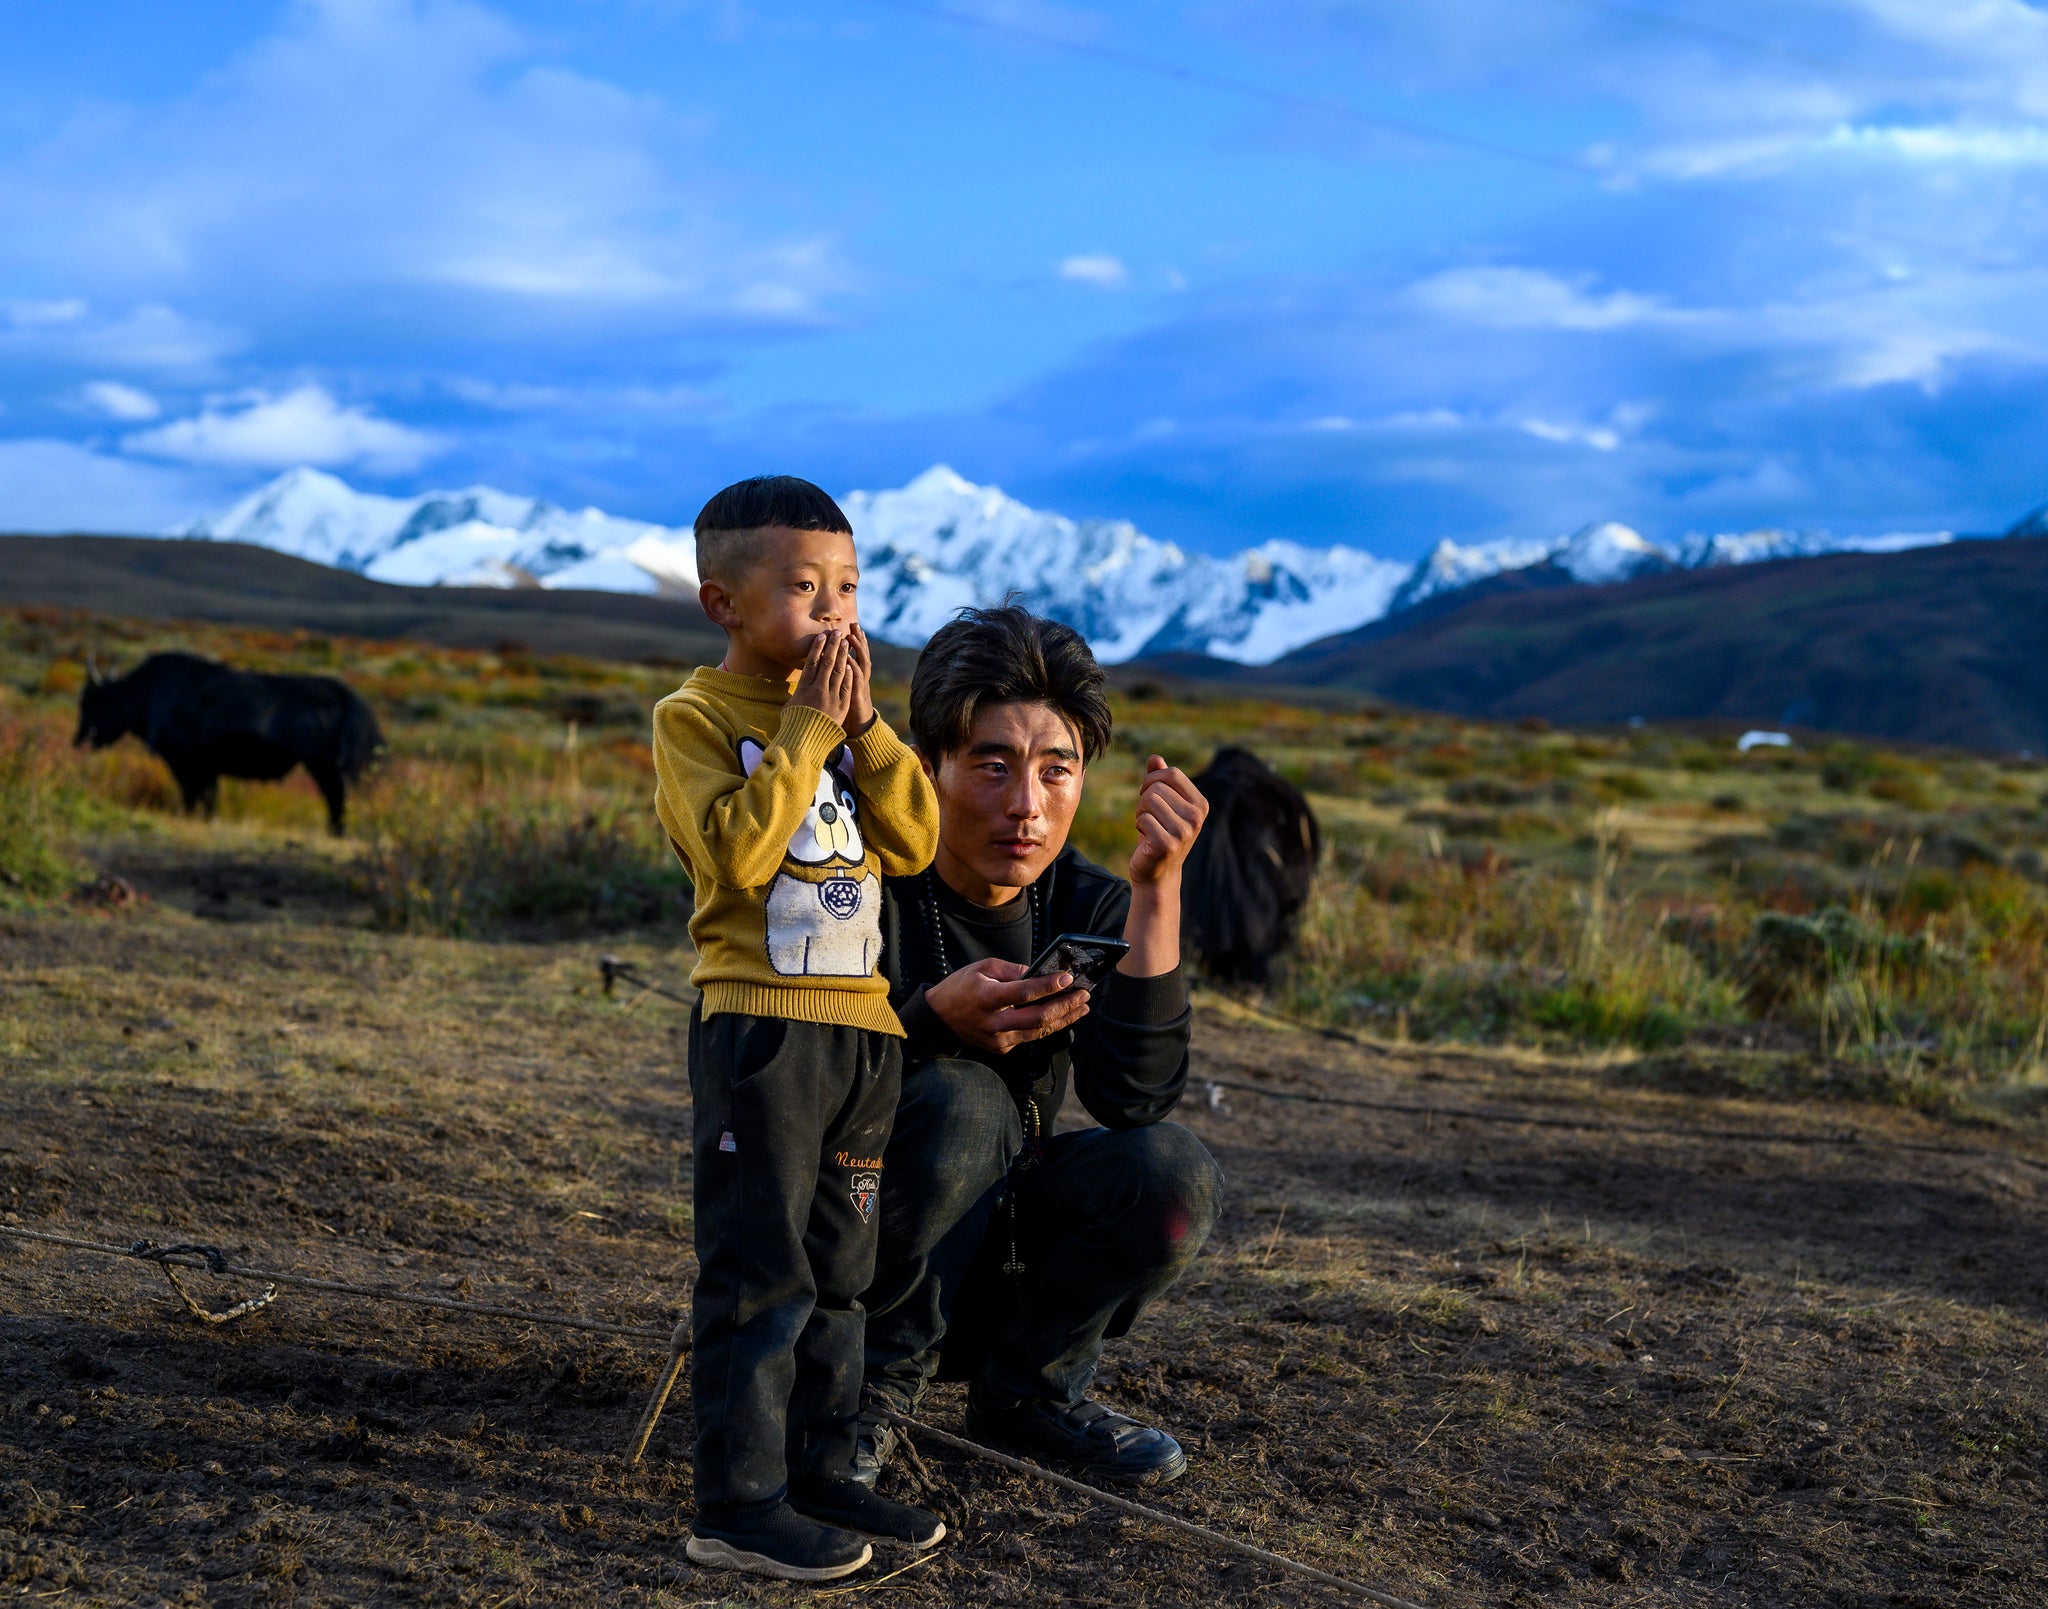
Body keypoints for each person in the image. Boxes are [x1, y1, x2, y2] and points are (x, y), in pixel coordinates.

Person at [651, 476, 947, 1582]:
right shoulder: (695, 720)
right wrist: (807, 725)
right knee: (756, 1272)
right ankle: (736, 1503)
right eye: (801, 590)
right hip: (760, 1034)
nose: (832, 615)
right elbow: (733, 854)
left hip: (860, 1033)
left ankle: (819, 1471)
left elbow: (915, 842)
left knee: (839, 1272)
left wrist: (864, 730)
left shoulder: (847, 728)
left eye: (847, 589)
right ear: (720, 603)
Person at [854, 604, 1222, 1488]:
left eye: (1057, 771)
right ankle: (865, 1401)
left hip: (1003, 1255)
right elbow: (788, 1081)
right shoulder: (859, 884)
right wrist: (929, 1024)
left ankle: (1030, 1393)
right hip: (851, 1247)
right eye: (992, 765)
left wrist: (1157, 890)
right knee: (962, 1100)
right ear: (927, 765)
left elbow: (1135, 1099)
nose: (1027, 805)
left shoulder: (1089, 904)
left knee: (1169, 1171)